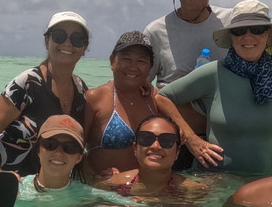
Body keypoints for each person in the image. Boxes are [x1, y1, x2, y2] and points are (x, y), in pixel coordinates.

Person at [159, 0, 272, 174]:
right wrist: (191, 140)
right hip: (214, 183)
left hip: (263, 183)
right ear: (231, 37)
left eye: (257, 29)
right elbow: (162, 97)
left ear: (268, 36)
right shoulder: (212, 73)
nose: (248, 36)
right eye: (239, 31)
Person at [83, 31, 223, 176]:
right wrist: (94, 179)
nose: (133, 66)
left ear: (150, 67)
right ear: (112, 61)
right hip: (105, 190)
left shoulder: (154, 99)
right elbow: (74, 150)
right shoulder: (95, 98)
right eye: (126, 59)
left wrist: (190, 139)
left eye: (141, 61)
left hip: (147, 190)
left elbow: (201, 119)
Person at [0, 11, 90, 177]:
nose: (68, 43)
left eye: (77, 39)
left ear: (84, 48)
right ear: (46, 40)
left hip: (37, 189)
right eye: (59, 36)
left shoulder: (81, 90)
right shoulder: (27, 83)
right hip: (0, 178)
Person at [93, 113, 207, 200]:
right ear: (135, 149)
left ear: (177, 152)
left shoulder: (192, 190)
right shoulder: (113, 184)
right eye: (146, 138)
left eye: (166, 140)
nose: (156, 146)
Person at [24, 114, 86, 193]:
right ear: (38, 150)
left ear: (79, 157)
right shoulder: (14, 191)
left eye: (70, 147)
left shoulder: (91, 199)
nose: (59, 153)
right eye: (50, 144)